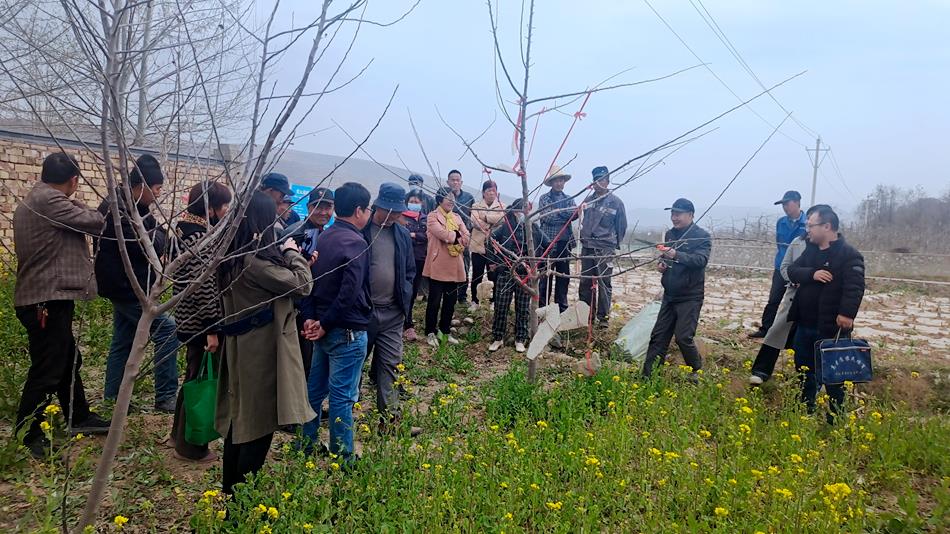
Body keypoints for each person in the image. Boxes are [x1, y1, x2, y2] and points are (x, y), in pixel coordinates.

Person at [215, 190, 314, 494]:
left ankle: (231, 494)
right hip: (261, 353)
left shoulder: (231, 256)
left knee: (240, 424)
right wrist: (292, 252)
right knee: (257, 427)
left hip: (240, 348)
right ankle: (240, 501)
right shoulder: (255, 262)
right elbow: (302, 284)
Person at [13, 152, 111, 457]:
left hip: (45, 298)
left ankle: (78, 416)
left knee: (68, 360)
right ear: (73, 180)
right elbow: (96, 222)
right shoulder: (50, 201)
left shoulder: (36, 198)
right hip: (46, 300)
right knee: (48, 369)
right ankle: (27, 433)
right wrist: (86, 204)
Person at [96, 154, 179, 413]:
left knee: (123, 340)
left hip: (132, 285)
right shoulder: (117, 209)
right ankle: (166, 395)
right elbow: (146, 244)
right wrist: (157, 238)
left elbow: (159, 235)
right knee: (167, 330)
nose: (158, 194)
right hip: (125, 287)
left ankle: (113, 398)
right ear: (142, 186)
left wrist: (157, 236)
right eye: (157, 188)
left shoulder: (136, 207)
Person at [300, 182, 373, 462]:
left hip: (322, 327)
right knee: (342, 397)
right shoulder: (355, 242)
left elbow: (307, 282)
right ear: (359, 210)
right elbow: (349, 293)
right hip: (346, 330)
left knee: (315, 390)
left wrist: (312, 319)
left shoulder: (324, 236)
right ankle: (343, 457)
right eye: (367, 209)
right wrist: (326, 324)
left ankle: (305, 445)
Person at [170, 181, 231, 463]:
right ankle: (191, 446)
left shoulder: (183, 230)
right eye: (223, 206)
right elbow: (203, 286)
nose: (226, 211)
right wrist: (212, 329)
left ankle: (178, 434)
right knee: (199, 380)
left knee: (192, 377)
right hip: (199, 323)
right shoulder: (200, 238)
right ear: (210, 208)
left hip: (187, 317)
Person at [787, 205, 865, 421]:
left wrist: (847, 314)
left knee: (834, 376)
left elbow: (854, 288)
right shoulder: (810, 250)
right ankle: (805, 411)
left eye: (811, 226)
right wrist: (812, 273)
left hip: (831, 328)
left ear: (827, 226)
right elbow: (792, 270)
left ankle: (836, 418)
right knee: (804, 371)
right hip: (805, 324)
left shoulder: (849, 255)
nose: (808, 230)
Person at [362, 183, 415, 431]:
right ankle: (346, 416)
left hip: (393, 312)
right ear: (377, 207)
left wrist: (405, 297)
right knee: (354, 366)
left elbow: (409, 271)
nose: (393, 216)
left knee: (391, 365)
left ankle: (390, 421)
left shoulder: (402, 234)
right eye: (389, 211)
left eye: (397, 212)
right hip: (363, 312)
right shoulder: (361, 231)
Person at [641, 198, 712, 380]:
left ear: (690, 215)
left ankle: (696, 370)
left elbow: (700, 261)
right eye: (672, 214)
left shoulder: (701, 236)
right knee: (658, 337)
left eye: (678, 214)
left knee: (683, 337)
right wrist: (662, 263)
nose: (674, 217)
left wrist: (676, 254)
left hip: (690, 296)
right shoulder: (671, 234)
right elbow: (667, 257)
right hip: (670, 295)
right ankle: (648, 376)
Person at [285, 187, 335, 379]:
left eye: (327, 207)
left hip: (314, 306)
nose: (323, 212)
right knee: (301, 362)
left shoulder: (324, 233)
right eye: (318, 207)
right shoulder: (296, 234)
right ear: (308, 207)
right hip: (296, 308)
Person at [486, 199, 546, 353]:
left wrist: (539, 265)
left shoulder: (533, 228)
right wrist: (494, 261)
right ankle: (498, 338)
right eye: (521, 210)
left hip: (526, 274)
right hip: (506, 272)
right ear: (515, 212)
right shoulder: (506, 227)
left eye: (527, 210)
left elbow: (548, 244)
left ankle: (520, 339)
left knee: (523, 308)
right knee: (501, 306)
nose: (524, 213)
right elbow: (489, 241)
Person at [748, 233, 807, 385]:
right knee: (776, 331)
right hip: (793, 297)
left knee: (809, 340)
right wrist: (795, 279)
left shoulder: (832, 249)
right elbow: (785, 267)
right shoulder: (798, 242)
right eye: (808, 224)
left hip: (817, 302)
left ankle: (808, 380)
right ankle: (761, 371)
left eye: (812, 224)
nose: (809, 227)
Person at [750, 190, 806, 338]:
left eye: (787, 204)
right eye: (783, 205)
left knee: (798, 302)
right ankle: (765, 329)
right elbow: (779, 244)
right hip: (781, 267)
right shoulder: (781, 222)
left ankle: (793, 334)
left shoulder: (807, 223)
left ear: (797, 202)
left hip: (799, 269)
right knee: (774, 300)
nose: (785, 207)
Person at [578, 166, 627, 327]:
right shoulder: (587, 201)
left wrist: (612, 244)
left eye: (601, 180)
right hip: (587, 246)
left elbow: (621, 226)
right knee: (585, 283)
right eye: (595, 180)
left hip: (605, 248)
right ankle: (587, 317)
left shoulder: (616, 203)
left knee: (604, 283)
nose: (598, 183)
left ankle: (603, 319)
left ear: (607, 181)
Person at [423, 187, 470, 348]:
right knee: (434, 301)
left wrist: (456, 236)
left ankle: (445, 331)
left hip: (454, 264)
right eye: (447, 198)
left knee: (450, 301)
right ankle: (430, 331)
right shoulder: (432, 216)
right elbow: (442, 234)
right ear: (439, 200)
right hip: (438, 264)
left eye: (452, 198)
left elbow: (467, 237)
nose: (451, 201)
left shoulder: (457, 217)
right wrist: (457, 235)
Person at [537, 167, 578, 313]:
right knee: (545, 276)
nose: (559, 183)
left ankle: (562, 308)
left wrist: (560, 213)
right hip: (548, 243)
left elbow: (575, 214)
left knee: (563, 277)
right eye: (556, 181)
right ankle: (543, 308)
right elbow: (548, 217)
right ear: (552, 182)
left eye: (561, 180)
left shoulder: (569, 198)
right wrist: (566, 215)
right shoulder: (544, 198)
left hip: (565, 243)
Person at [468, 179, 505, 311]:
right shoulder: (476, 205)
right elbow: (475, 222)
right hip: (478, 246)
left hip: (494, 248)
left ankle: (494, 301)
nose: (491, 193)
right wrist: (492, 223)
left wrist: (485, 217)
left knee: (494, 276)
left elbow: (502, 219)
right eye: (489, 191)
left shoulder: (501, 206)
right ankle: (475, 300)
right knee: (477, 275)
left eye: (494, 191)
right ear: (483, 192)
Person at [446, 170, 475, 304]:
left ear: (461, 182)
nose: (455, 182)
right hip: (447, 236)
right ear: (448, 182)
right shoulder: (443, 195)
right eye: (453, 180)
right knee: (447, 264)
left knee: (464, 265)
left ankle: (462, 296)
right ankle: (448, 293)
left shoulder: (468, 197)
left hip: (463, 237)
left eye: (458, 180)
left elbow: (473, 217)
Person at [403, 189, 429, 341]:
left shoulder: (425, 218)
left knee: (413, 291)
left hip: (419, 259)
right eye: (411, 202)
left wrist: (413, 235)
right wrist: (417, 236)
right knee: (403, 290)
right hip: (404, 258)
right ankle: (406, 322)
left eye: (416, 202)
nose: (414, 204)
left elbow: (427, 236)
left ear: (421, 203)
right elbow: (402, 234)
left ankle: (408, 320)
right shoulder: (402, 217)